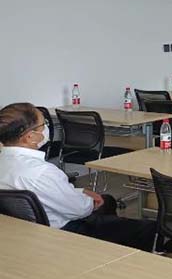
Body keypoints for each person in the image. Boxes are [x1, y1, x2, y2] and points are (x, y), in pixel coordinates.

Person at [0, 103, 155, 251]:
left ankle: (105, 250)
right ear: (30, 137)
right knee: (147, 228)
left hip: (23, 229)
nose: (46, 128)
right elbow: (79, 210)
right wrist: (90, 201)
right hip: (62, 232)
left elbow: (52, 194)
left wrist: (81, 192)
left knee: (108, 201)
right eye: (43, 125)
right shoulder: (42, 172)